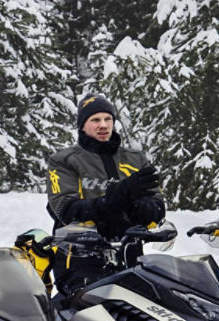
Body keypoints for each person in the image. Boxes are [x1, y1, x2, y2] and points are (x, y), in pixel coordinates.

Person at [43, 94, 167, 293]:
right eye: (95, 120)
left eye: (108, 119)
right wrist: (115, 197)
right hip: (79, 257)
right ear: (82, 125)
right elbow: (65, 210)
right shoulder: (64, 161)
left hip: (130, 254)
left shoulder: (136, 160)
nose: (103, 125)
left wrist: (139, 208)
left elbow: (158, 209)